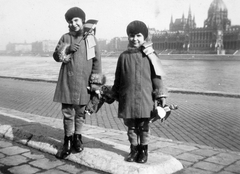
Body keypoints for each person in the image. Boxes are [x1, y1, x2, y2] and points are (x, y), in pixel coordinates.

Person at [111, 20, 167, 163]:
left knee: (144, 126)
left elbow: (157, 77)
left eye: (138, 35)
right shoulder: (123, 57)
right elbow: (118, 79)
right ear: (128, 37)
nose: (134, 39)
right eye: (131, 35)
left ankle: (143, 151)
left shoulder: (150, 55)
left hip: (145, 99)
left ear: (144, 37)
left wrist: (160, 95)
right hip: (127, 98)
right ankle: (133, 149)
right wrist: (113, 94)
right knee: (131, 127)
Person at [53, 7, 102, 159]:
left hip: (83, 82)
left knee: (80, 113)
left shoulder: (91, 39)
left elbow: (97, 62)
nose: (73, 23)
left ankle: (78, 138)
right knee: (67, 113)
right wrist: (67, 49)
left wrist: (95, 83)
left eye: (76, 20)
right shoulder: (65, 37)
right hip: (67, 81)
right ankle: (67, 140)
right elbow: (56, 55)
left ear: (82, 21)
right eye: (70, 21)